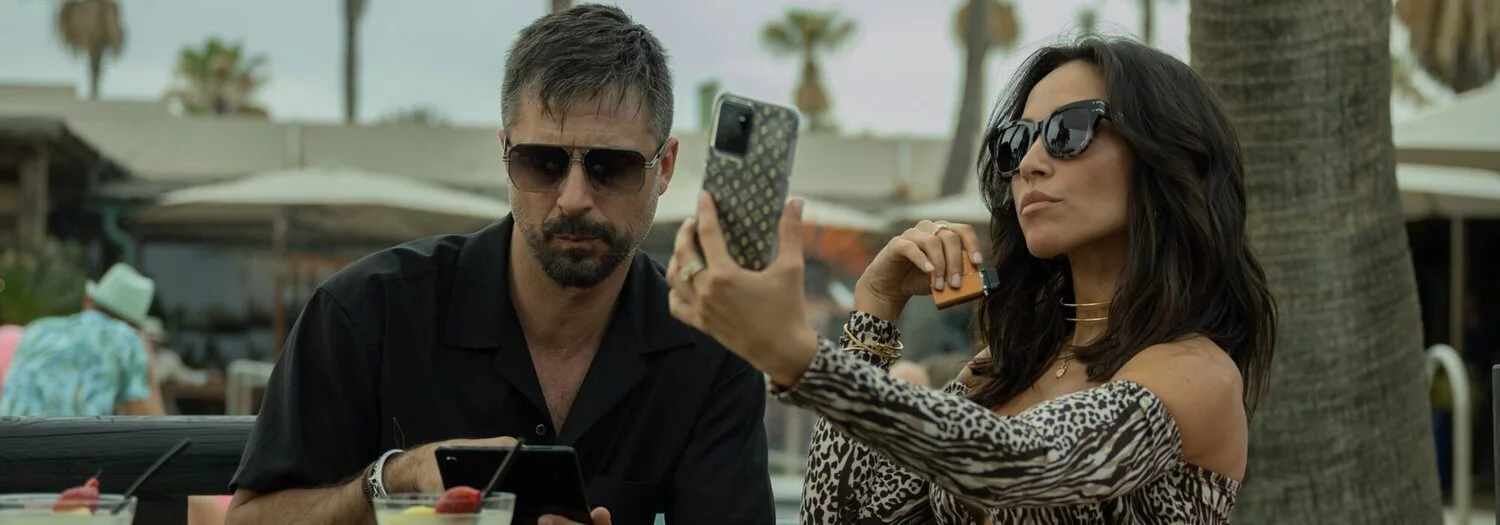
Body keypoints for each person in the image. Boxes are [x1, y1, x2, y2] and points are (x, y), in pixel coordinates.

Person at [665, 37, 1276, 523]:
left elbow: (1014, 462)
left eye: (1069, 131)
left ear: (1165, 155)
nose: (1029, 163)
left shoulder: (1196, 373)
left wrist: (797, 357)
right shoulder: (1002, 367)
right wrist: (874, 311)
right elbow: (841, 514)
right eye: (1016, 142)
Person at [225, 6, 774, 525]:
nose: (573, 198)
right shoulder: (368, 312)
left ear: (665, 167)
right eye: (542, 162)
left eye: (612, 167)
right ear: (505, 152)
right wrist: (394, 479)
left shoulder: (712, 352)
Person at [0, 262, 164, 416]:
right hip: (66, 437)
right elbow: (150, 424)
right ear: (135, 326)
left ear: (88, 301)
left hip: (9, 434)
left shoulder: (38, 329)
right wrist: (148, 360)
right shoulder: (127, 340)